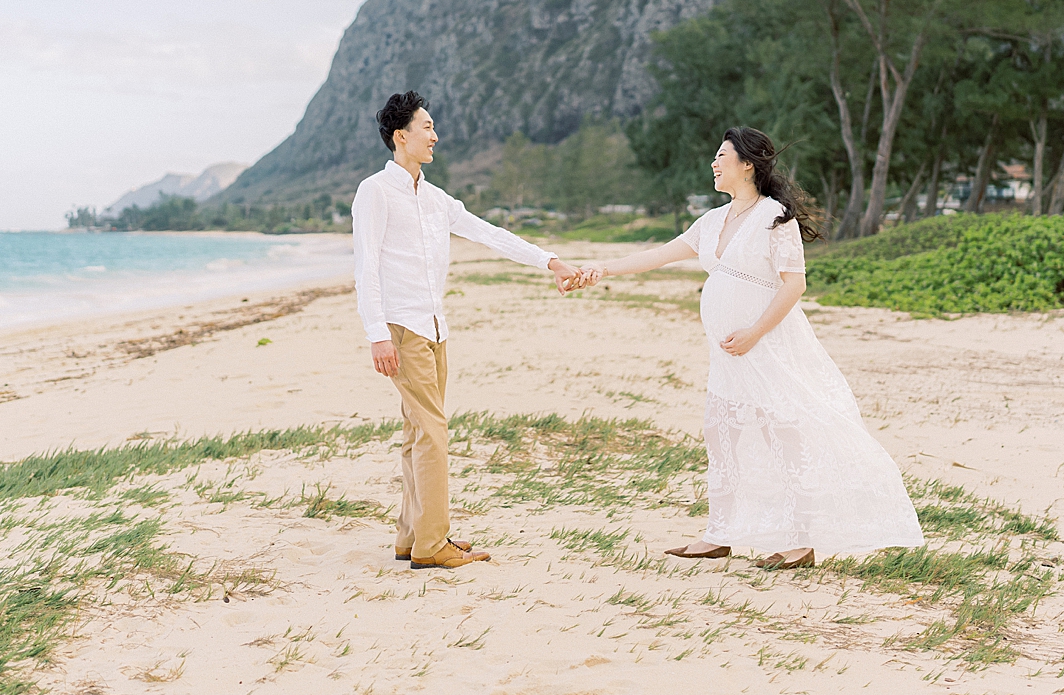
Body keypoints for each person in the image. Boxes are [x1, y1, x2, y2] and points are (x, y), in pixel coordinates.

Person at [576, 127, 923, 568]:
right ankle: (719, 533)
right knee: (721, 435)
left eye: (722, 156)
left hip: (767, 343)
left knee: (784, 433)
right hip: (727, 352)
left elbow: (794, 283)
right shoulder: (713, 220)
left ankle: (801, 542)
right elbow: (657, 255)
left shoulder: (774, 216)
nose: (714, 163)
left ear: (748, 164)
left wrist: (756, 331)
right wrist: (601, 268)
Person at [352, 91, 584, 570]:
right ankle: (433, 544)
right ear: (401, 136)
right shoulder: (375, 191)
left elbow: (490, 233)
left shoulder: (437, 199)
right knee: (434, 432)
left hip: (436, 329)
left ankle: (411, 537)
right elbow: (366, 266)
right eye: (427, 127)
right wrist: (377, 332)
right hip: (402, 328)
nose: (435, 136)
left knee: (419, 432)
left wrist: (550, 261)